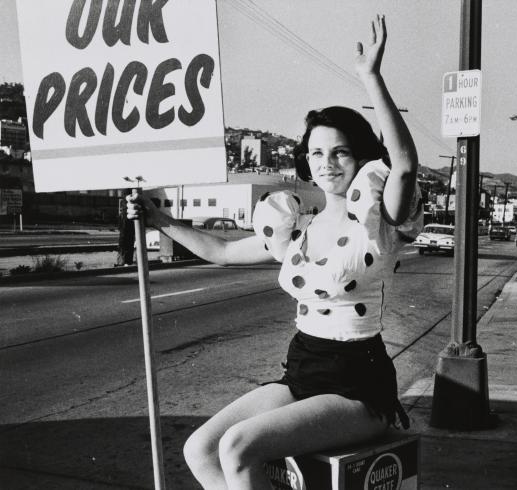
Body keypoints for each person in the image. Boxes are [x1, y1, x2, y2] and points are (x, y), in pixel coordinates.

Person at [127, 15, 422, 490]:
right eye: (317, 153)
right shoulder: (297, 228)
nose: (327, 163)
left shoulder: (378, 222)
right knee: (199, 448)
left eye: (340, 153)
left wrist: (371, 78)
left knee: (239, 447)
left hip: (356, 385)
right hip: (301, 371)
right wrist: (159, 220)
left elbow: (404, 164)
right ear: (305, 160)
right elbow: (221, 251)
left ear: (361, 156)